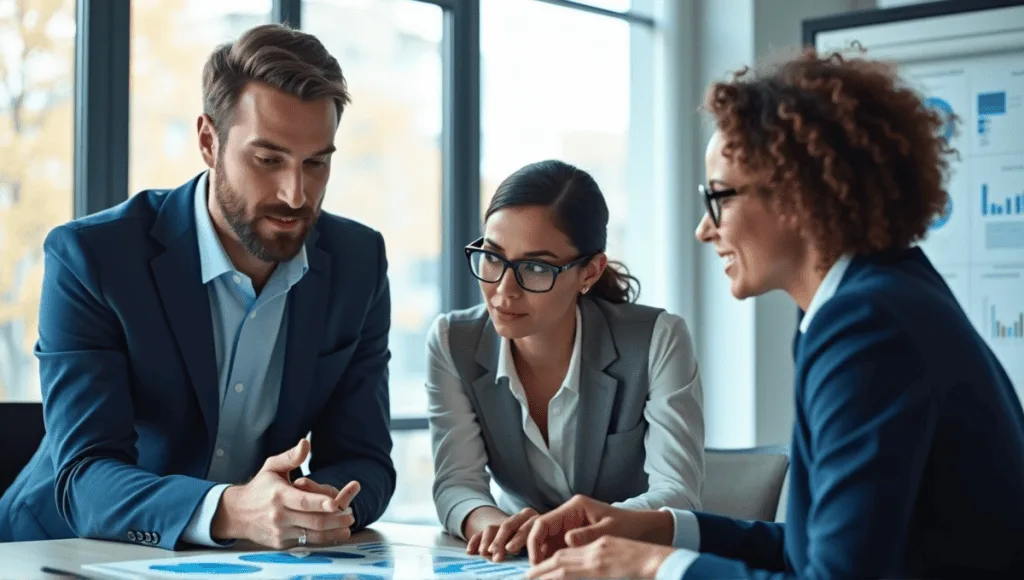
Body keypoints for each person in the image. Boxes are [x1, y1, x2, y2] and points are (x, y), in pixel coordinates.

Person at [521, 49, 1024, 579]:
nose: (705, 228)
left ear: (797, 195)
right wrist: (658, 529)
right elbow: (816, 550)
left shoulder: (867, 325)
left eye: (718, 198)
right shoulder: (881, 296)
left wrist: (653, 570)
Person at [0, 24, 396, 550]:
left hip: (243, 560)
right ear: (209, 141)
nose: (296, 194)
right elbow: (86, 478)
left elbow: (365, 457)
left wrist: (317, 505)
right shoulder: (92, 258)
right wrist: (232, 510)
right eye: (268, 160)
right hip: (58, 550)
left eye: (316, 163)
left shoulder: (357, 263)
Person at [426, 159, 705, 563]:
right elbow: (457, 483)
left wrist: (558, 531)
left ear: (589, 272)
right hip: (522, 563)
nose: (504, 291)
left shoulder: (658, 339)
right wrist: (495, 527)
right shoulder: (454, 341)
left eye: (536, 267)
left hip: (628, 564)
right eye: (492, 256)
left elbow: (677, 495)